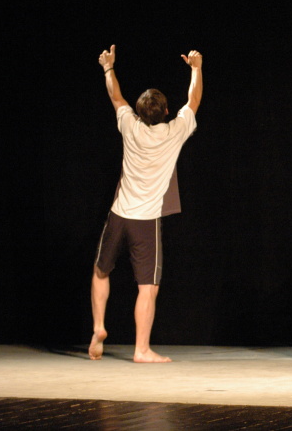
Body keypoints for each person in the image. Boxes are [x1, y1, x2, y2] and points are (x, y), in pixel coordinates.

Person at [89, 44, 202, 363]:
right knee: (147, 287)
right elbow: (193, 101)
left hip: (119, 214)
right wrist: (196, 69)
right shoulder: (174, 131)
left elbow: (116, 97)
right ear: (165, 112)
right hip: (146, 221)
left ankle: (98, 327)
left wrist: (108, 67)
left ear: (139, 113)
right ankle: (141, 349)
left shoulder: (130, 125)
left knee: (100, 271)